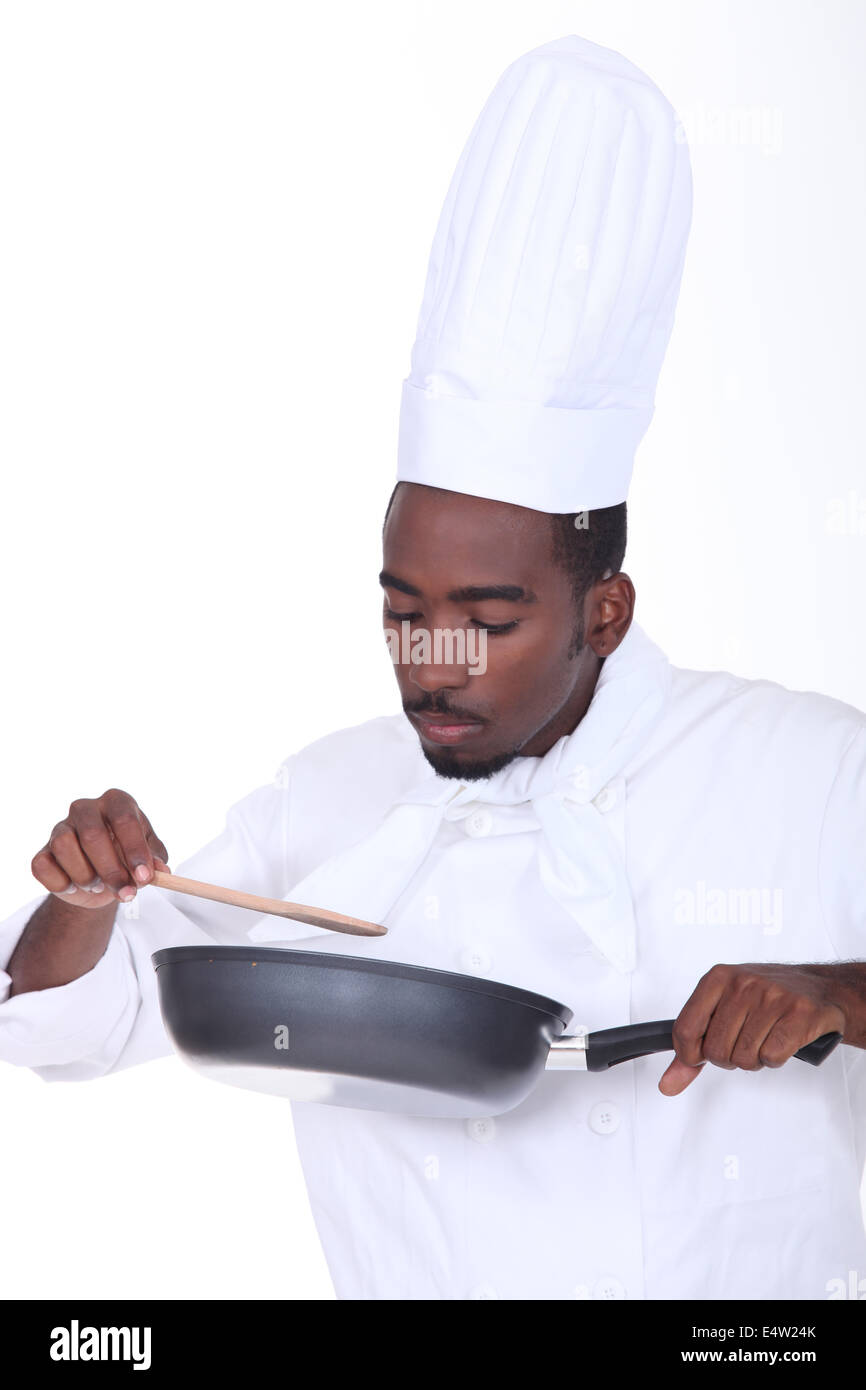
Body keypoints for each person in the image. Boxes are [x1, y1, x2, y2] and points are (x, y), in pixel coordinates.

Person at [2, 35, 865, 1301]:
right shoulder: (328, 799)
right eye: (401, 609)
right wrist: (81, 899)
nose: (430, 662)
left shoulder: (806, 768)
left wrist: (835, 992)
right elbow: (72, 1018)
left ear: (604, 611)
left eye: (488, 615)